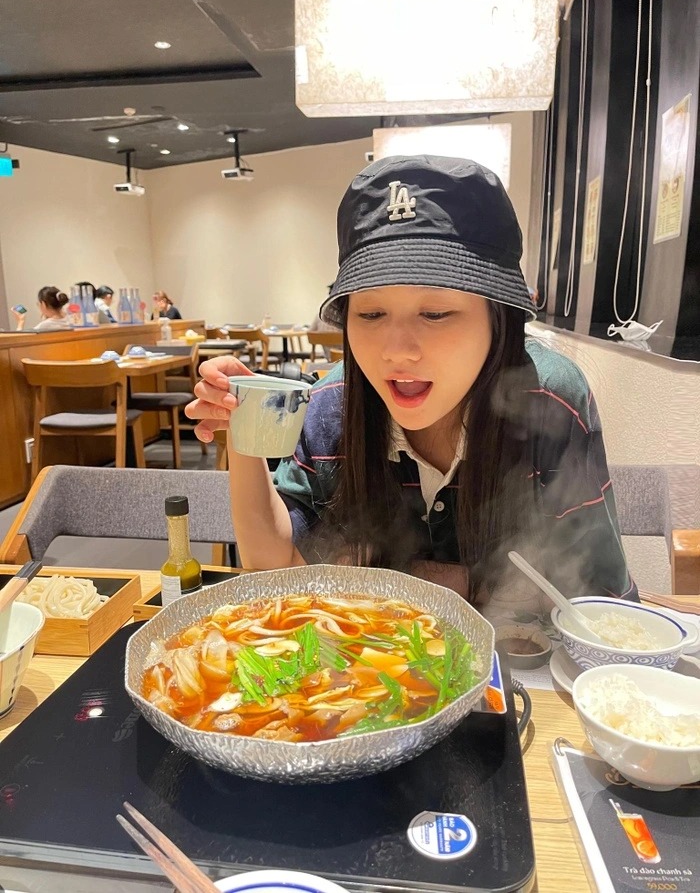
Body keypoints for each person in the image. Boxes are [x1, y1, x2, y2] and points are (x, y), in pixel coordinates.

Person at [186, 155, 635, 618]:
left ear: (498, 319)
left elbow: (598, 597)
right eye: (371, 313)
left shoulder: (548, 401)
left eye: (435, 313)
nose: (397, 351)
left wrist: (429, 581)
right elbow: (276, 563)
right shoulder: (333, 406)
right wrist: (241, 431)